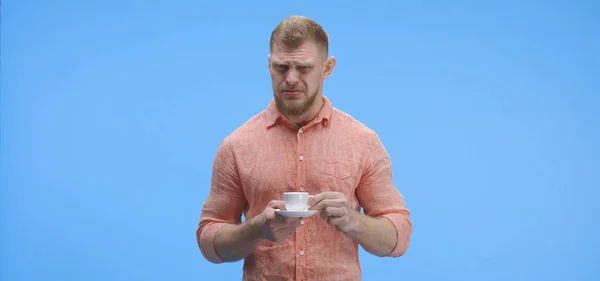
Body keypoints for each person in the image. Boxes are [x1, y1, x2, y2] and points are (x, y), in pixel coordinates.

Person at [196, 15, 412, 281]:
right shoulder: (236, 145)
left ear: (328, 68)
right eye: (282, 67)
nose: (291, 78)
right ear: (269, 65)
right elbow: (209, 241)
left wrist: (354, 221)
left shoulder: (363, 141)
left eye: (304, 68)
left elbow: (399, 238)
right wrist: (257, 229)